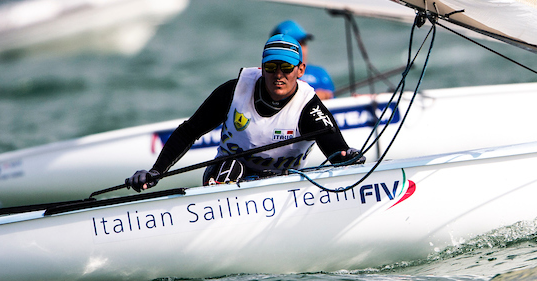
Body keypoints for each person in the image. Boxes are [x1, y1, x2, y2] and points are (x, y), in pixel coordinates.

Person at [125, 34, 362, 191]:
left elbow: (337, 152)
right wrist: (156, 171)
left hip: (284, 187)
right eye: (271, 67)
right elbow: (189, 131)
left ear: (300, 70)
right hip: (225, 176)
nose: (278, 75)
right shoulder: (234, 91)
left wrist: (348, 156)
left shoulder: (308, 107)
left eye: (286, 68)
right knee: (232, 167)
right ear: (262, 68)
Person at [270, 20, 335, 99]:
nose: (302, 50)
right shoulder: (270, 77)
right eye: (295, 45)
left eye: (303, 43)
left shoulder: (321, 74)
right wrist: (311, 98)